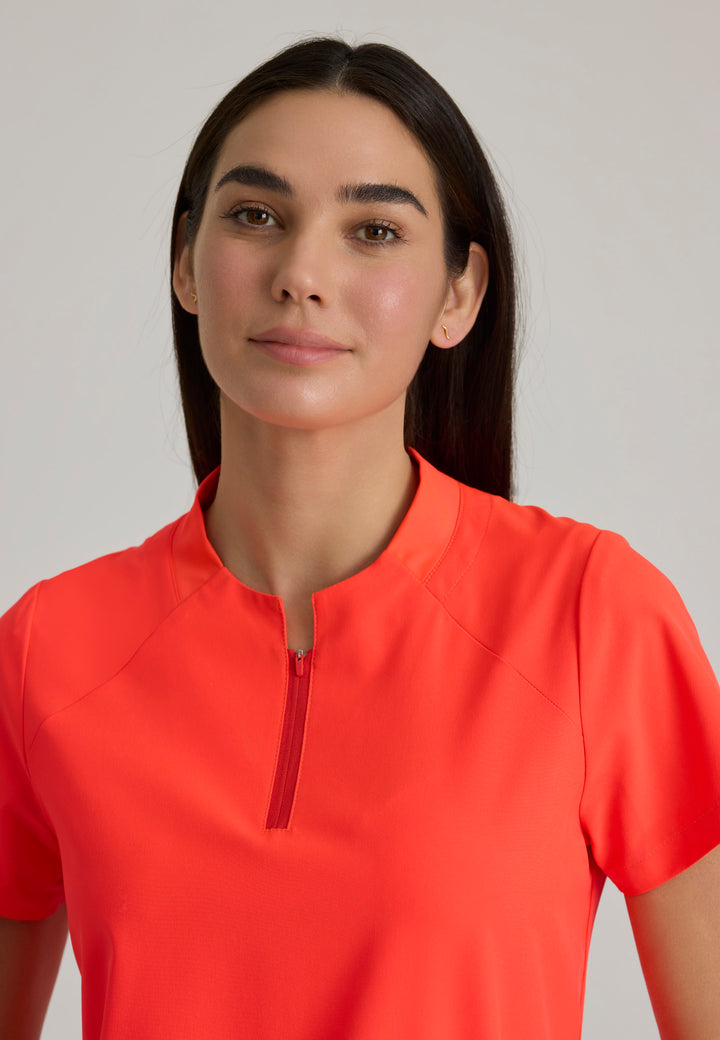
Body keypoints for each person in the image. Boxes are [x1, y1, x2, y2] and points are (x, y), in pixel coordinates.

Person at [1, 36, 719, 1040]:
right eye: (256, 215)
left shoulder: (592, 613)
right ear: (186, 263)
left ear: (458, 294)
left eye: (374, 230)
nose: (302, 272)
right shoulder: (50, 648)